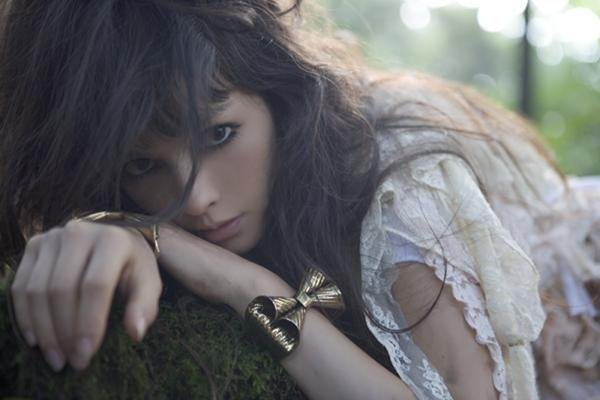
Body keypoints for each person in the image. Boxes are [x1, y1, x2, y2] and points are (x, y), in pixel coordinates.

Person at [1, 0, 598, 399]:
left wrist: (245, 286)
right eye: (142, 164)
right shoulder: (129, 202)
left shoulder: (400, 184)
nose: (197, 199)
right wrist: (119, 231)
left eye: (220, 134)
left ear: (278, 97)